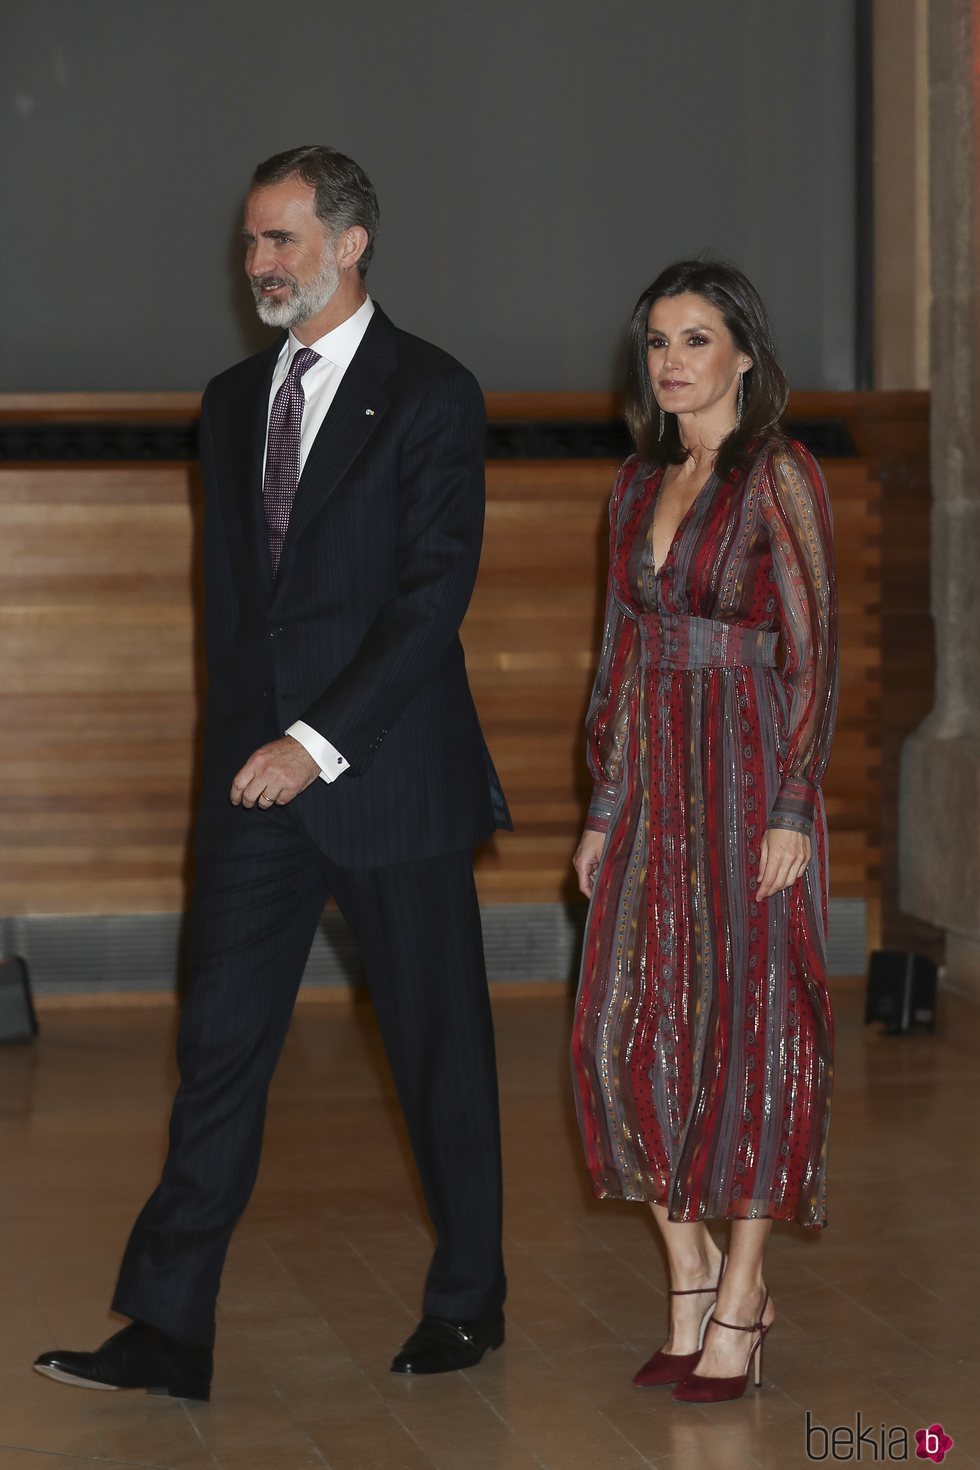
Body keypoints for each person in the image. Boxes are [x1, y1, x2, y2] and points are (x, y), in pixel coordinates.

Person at [35, 145, 511, 1400]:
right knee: (220, 1050)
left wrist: (317, 743)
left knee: (438, 1052)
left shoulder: (433, 393)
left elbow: (429, 599)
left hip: (385, 775)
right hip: (253, 790)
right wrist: (246, 759)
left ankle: (471, 1298)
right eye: (251, 243)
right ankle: (167, 1326)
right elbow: (234, 613)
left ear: (350, 244)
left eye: (281, 241)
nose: (257, 264)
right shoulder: (230, 400)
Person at [570, 259, 838, 1405]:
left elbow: (813, 651)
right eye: (656, 344)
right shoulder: (633, 486)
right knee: (620, 1037)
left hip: (745, 773)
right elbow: (616, 657)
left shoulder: (779, 474)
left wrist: (789, 805)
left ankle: (738, 1300)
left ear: (742, 353)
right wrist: (601, 807)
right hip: (651, 790)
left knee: (749, 1038)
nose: (670, 362)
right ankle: (683, 1280)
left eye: (693, 339)